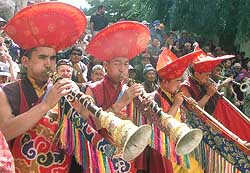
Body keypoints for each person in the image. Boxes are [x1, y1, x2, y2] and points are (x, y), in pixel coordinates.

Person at [0, 2, 87, 172]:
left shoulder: (65, 90)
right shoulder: (7, 92)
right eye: (42, 57)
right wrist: (46, 105)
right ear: (25, 62)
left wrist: (84, 110)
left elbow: (77, 136)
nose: (49, 64)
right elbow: (4, 132)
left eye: (53, 58)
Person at [78, 21, 169, 173]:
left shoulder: (130, 89)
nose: (123, 69)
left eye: (126, 64)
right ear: (106, 65)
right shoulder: (93, 89)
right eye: (117, 64)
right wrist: (121, 102)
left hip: (128, 151)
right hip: (101, 152)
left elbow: (141, 124)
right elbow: (90, 126)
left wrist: (146, 107)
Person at [154, 48, 204, 173]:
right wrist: (176, 104)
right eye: (177, 81)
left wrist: (189, 106)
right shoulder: (154, 97)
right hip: (165, 149)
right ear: (164, 82)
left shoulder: (176, 93)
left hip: (181, 142)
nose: (180, 85)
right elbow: (160, 126)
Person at [181, 46, 234, 114]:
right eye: (206, 75)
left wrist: (215, 94)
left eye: (209, 75)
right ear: (197, 74)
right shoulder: (185, 86)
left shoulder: (203, 83)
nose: (208, 78)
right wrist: (208, 95)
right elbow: (194, 110)